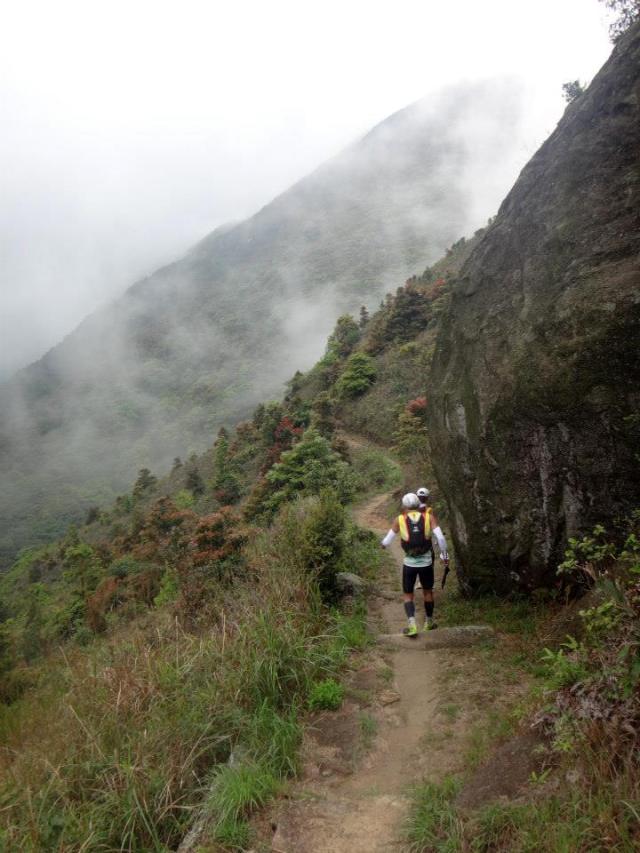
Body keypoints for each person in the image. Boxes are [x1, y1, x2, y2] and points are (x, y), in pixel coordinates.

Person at [381, 492, 449, 636]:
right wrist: (444, 555)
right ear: (418, 504)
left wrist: (383, 545)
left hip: (409, 564)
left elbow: (387, 541)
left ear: (404, 505)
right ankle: (429, 622)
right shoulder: (428, 517)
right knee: (428, 592)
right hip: (426, 563)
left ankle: (412, 625)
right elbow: (441, 538)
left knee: (408, 595)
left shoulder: (399, 519)